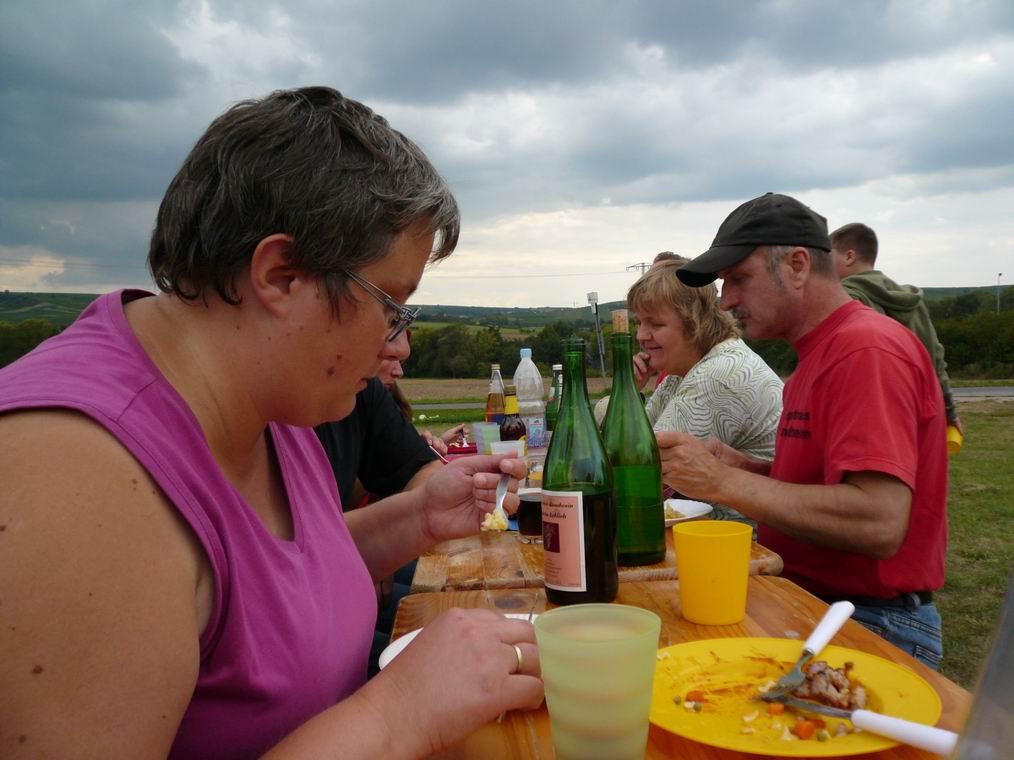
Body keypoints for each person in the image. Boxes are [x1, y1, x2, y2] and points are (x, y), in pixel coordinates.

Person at [0, 86, 540, 757]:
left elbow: (268, 588)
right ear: (281, 276)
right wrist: (401, 712)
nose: (395, 340)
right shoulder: (71, 473)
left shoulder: (267, 397)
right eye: (391, 305)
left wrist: (418, 517)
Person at [662, 192, 948, 669]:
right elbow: (828, 488)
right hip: (819, 604)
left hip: (865, 619)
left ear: (797, 265)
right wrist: (743, 468)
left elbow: (879, 521)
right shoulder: (819, 354)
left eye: (739, 278)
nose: (727, 300)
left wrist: (722, 482)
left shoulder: (865, 351)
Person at [627, 256, 783, 523]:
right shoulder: (685, 371)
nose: (641, 335)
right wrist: (628, 389)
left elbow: (634, 475)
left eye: (655, 324)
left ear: (693, 322)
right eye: (639, 322)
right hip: (717, 533)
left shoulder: (720, 375)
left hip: (750, 541)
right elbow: (630, 445)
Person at [831, 222, 962, 434]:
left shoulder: (845, 298)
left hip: (873, 414)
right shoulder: (911, 300)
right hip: (919, 409)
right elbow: (936, 359)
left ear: (849, 256)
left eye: (829, 257)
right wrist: (950, 413)